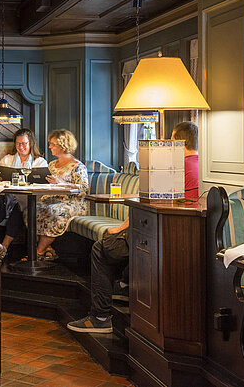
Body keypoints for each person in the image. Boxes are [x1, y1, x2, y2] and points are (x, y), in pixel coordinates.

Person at [67, 121, 199, 333]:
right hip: (189, 235)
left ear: (178, 141)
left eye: (171, 139)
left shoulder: (173, 168)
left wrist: (119, 229)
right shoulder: (203, 168)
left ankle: (100, 317)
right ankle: (125, 286)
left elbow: (148, 204)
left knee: (101, 248)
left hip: (160, 232)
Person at [34, 129, 88, 260]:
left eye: (52, 144)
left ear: (62, 145)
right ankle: (48, 249)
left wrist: (62, 182)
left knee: (53, 211)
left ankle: (38, 253)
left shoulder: (77, 166)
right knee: (31, 210)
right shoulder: (52, 165)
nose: (49, 147)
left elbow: (84, 187)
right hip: (49, 200)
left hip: (71, 203)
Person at [0, 128, 47, 242]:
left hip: (27, 199)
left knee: (17, 208)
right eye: (18, 144)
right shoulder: (7, 159)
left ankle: (3, 247)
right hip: (7, 197)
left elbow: (42, 183)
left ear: (31, 143)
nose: (21, 147)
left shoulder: (40, 162)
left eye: (24, 143)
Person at [171, 121, 199, 200]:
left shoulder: (179, 167)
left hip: (180, 210)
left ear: (180, 143)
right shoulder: (202, 166)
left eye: (172, 142)